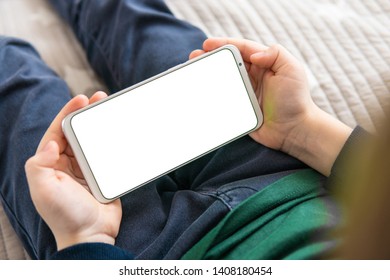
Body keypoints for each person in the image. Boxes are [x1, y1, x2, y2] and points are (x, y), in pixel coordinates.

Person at [0, 0, 365, 260]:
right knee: (140, 27)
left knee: (14, 87)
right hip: (291, 180)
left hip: (139, 253)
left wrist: (84, 237)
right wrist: (301, 129)